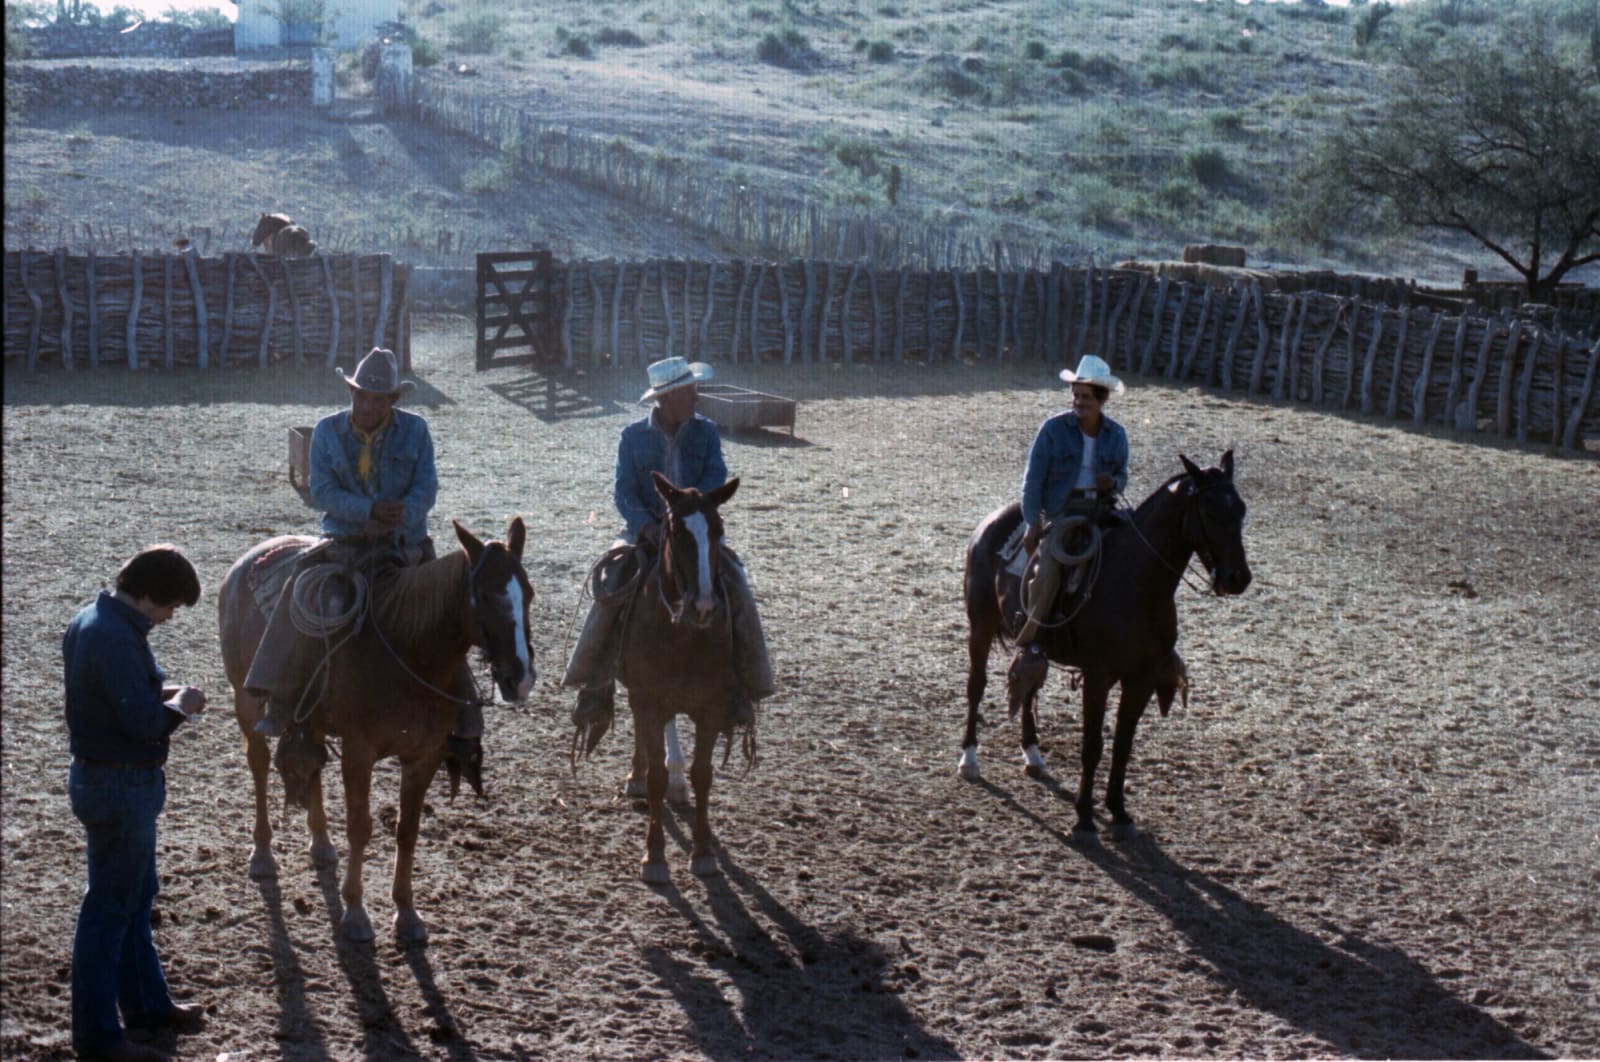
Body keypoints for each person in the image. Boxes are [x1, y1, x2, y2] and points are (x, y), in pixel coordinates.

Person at [247, 347, 479, 741]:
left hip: (406, 545)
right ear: (350, 393)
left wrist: (399, 515)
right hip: (346, 542)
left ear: (393, 400)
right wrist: (366, 512)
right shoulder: (326, 431)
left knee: (447, 610)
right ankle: (281, 695)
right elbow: (321, 489)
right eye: (359, 395)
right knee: (302, 593)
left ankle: (463, 710)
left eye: (376, 398)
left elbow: (427, 488)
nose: (366, 405)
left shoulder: (416, 430)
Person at [564, 356, 776, 749]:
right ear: (666, 398)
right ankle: (592, 683)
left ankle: (746, 686)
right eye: (689, 392)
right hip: (644, 533)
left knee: (737, 584)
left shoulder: (706, 432)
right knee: (609, 587)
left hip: (694, 532)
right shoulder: (633, 437)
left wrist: (692, 510)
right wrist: (647, 524)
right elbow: (623, 491)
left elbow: (715, 476)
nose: (696, 398)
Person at [65, 545, 209, 1062]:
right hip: (121, 784)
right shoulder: (115, 638)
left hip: (103, 780)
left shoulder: (94, 620)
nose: (171, 616)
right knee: (109, 910)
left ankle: (147, 1005)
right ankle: (99, 1037)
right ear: (147, 594)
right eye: (169, 606)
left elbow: (111, 696)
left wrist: (162, 691)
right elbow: (143, 723)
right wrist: (180, 707)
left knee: (133, 895)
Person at [1015, 353, 1130, 643]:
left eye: (1086, 397)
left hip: (1101, 508)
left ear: (1101, 400)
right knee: (1050, 570)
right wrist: (1032, 522)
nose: (1079, 402)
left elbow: (1123, 476)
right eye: (1076, 395)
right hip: (1062, 511)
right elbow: (1034, 478)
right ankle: (1033, 635)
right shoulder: (1053, 430)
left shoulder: (1116, 435)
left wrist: (1113, 483)